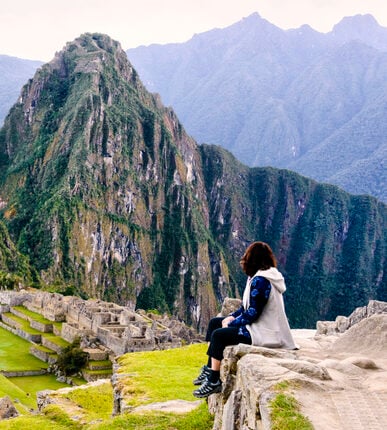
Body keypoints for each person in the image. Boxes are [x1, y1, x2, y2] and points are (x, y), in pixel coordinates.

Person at [193, 241, 297, 398]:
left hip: (264, 332)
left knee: (219, 335)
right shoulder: (258, 277)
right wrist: (230, 317)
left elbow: (253, 313)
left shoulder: (261, 281)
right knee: (215, 322)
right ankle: (209, 369)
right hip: (257, 326)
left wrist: (232, 322)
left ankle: (214, 380)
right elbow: (245, 308)